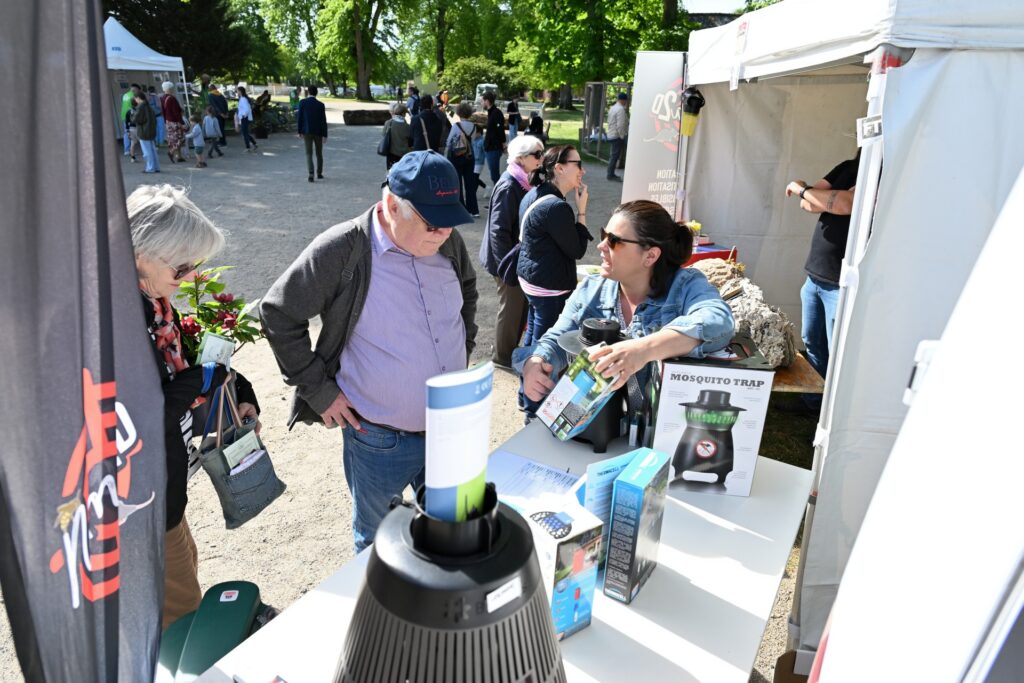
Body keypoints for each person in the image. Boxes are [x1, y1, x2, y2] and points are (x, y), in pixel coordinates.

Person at [260, 151, 479, 553]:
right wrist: (319, 390)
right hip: (379, 438)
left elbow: (467, 291)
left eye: (450, 221)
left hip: (449, 427)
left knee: (454, 529)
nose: (443, 233)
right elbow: (278, 313)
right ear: (392, 205)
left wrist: (462, 348)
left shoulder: (447, 241)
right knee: (379, 543)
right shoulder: (342, 249)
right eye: (432, 223)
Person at [128, 184, 261, 629]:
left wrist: (239, 392)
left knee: (184, 571)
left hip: (165, 487)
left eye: (195, 265)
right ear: (141, 253)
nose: (188, 277)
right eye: (181, 266)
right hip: (138, 498)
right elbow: (140, 416)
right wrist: (202, 379)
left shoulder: (153, 305)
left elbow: (187, 363)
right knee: (179, 613)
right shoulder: (119, 322)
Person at [521, 200, 735, 406]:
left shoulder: (685, 285)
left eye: (613, 240)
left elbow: (718, 322)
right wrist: (537, 361)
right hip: (599, 425)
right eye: (604, 235)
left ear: (650, 256)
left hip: (659, 425)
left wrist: (642, 350)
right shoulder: (591, 289)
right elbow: (557, 339)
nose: (601, 246)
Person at [785, 151, 860, 380]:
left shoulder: (879, 170)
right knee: (812, 341)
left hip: (840, 281)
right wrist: (826, 199)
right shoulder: (847, 166)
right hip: (815, 275)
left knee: (836, 347)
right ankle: (814, 396)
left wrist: (803, 190)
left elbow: (846, 204)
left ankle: (831, 398)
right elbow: (807, 204)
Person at [517, 144, 591, 353]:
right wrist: (582, 212)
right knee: (544, 348)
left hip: (531, 280)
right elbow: (577, 250)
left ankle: (525, 369)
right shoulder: (556, 207)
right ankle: (531, 372)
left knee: (533, 333)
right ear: (559, 168)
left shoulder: (535, 193)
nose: (583, 171)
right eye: (578, 164)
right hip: (548, 287)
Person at [480, 134, 545, 368]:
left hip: (515, 259)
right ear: (520, 158)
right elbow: (498, 231)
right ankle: (502, 357)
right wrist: (507, 267)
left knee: (519, 307)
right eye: (537, 154)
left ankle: (508, 351)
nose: (541, 158)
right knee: (512, 308)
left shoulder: (523, 181)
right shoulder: (510, 185)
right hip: (506, 261)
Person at [446, 102, 479, 217]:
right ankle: (473, 210)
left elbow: (449, 142)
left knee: (458, 183)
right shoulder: (474, 126)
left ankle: (461, 208)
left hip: (457, 156)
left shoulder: (456, 126)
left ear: (459, 113)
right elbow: (472, 140)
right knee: (470, 184)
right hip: (469, 156)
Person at [297, 85, 329, 182]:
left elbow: (300, 118)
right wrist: (325, 134)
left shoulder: (302, 102)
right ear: (316, 93)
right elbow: (323, 121)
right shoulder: (320, 105)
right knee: (319, 153)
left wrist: (299, 130)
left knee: (308, 153)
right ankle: (319, 173)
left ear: (308, 92)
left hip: (307, 131)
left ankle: (311, 173)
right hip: (318, 132)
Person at [482, 91, 507, 184]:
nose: (481, 103)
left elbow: (500, 129)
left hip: (494, 148)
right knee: (494, 173)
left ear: (487, 101)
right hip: (490, 147)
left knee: (494, 175)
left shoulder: (496, 113)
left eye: (482, 101)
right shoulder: (491, 112)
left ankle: (501, 190)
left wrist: (503, 144)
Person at [132, 93, 160, 174]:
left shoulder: (140, 107)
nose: (135, 100)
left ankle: (150, 168)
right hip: (151, 130)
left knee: (147, 151)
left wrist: (132, 116)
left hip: (143, 131)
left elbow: (136, 119)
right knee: (153, 150)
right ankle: (156, 167)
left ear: (138, 98)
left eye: (135, 98)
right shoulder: (149, 106)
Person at [161, 81, 187, 163]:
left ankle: (178, 156)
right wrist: (181, 123)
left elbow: (163, 111)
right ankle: (171, 152)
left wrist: (165, 120)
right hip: (175, 121)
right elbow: (176, 112)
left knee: (173, 139)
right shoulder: (172, 98)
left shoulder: (162, 98)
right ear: (170, 88)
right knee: (180, 138)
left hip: (168, 121)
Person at [606, 92, 629, 182]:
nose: (626, 103)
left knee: (613, 155)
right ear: (623, 100)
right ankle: (610, 175)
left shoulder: (613, 108)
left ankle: (610, 173)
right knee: (614, 156)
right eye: (626, 101)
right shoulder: (620, 109)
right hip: (617, 136)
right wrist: (622, 136)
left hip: (611, 134)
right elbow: (621, 125)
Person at [383, 102, 412, 170]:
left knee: (391, 171)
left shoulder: (388, 123)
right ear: (403, 114)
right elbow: (410, 140)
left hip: (391, 153)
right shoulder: (407, 126)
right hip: (403, 154)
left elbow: (384, 134)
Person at [236, 85, 258, 152]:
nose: (237, 92)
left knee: (244, 133)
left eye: (237, 91)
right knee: (245, 133)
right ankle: (254, 144)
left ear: (240, 91)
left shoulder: (243, 99)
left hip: (245, 118)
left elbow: (247, 109)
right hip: (244, 118)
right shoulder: (242, 98)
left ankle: (248, 147)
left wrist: (243, 115)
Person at [122, 83, 141, 155]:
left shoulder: (125, 95)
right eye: (138, 90)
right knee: (136, 131)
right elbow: (137, 105)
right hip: (131, 115)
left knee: (126, 132)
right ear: (136, 89)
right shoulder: (134, 96)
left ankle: (127, 150)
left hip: (124, 115)